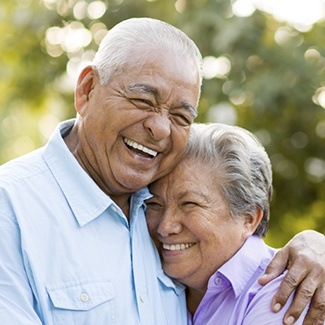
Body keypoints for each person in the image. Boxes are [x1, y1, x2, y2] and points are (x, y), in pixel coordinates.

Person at [0, 17, 323, 324]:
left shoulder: (157, 211)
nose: (160, 128)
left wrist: (313, 246)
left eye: (181, 117)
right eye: (143, 100)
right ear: (86, 90)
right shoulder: (11, 209)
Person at [145, 123, 325, 325]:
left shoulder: (285, 291)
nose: (165, 227)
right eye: (154, 204)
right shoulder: (149, 275)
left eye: (189, 204)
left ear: (249, 218)